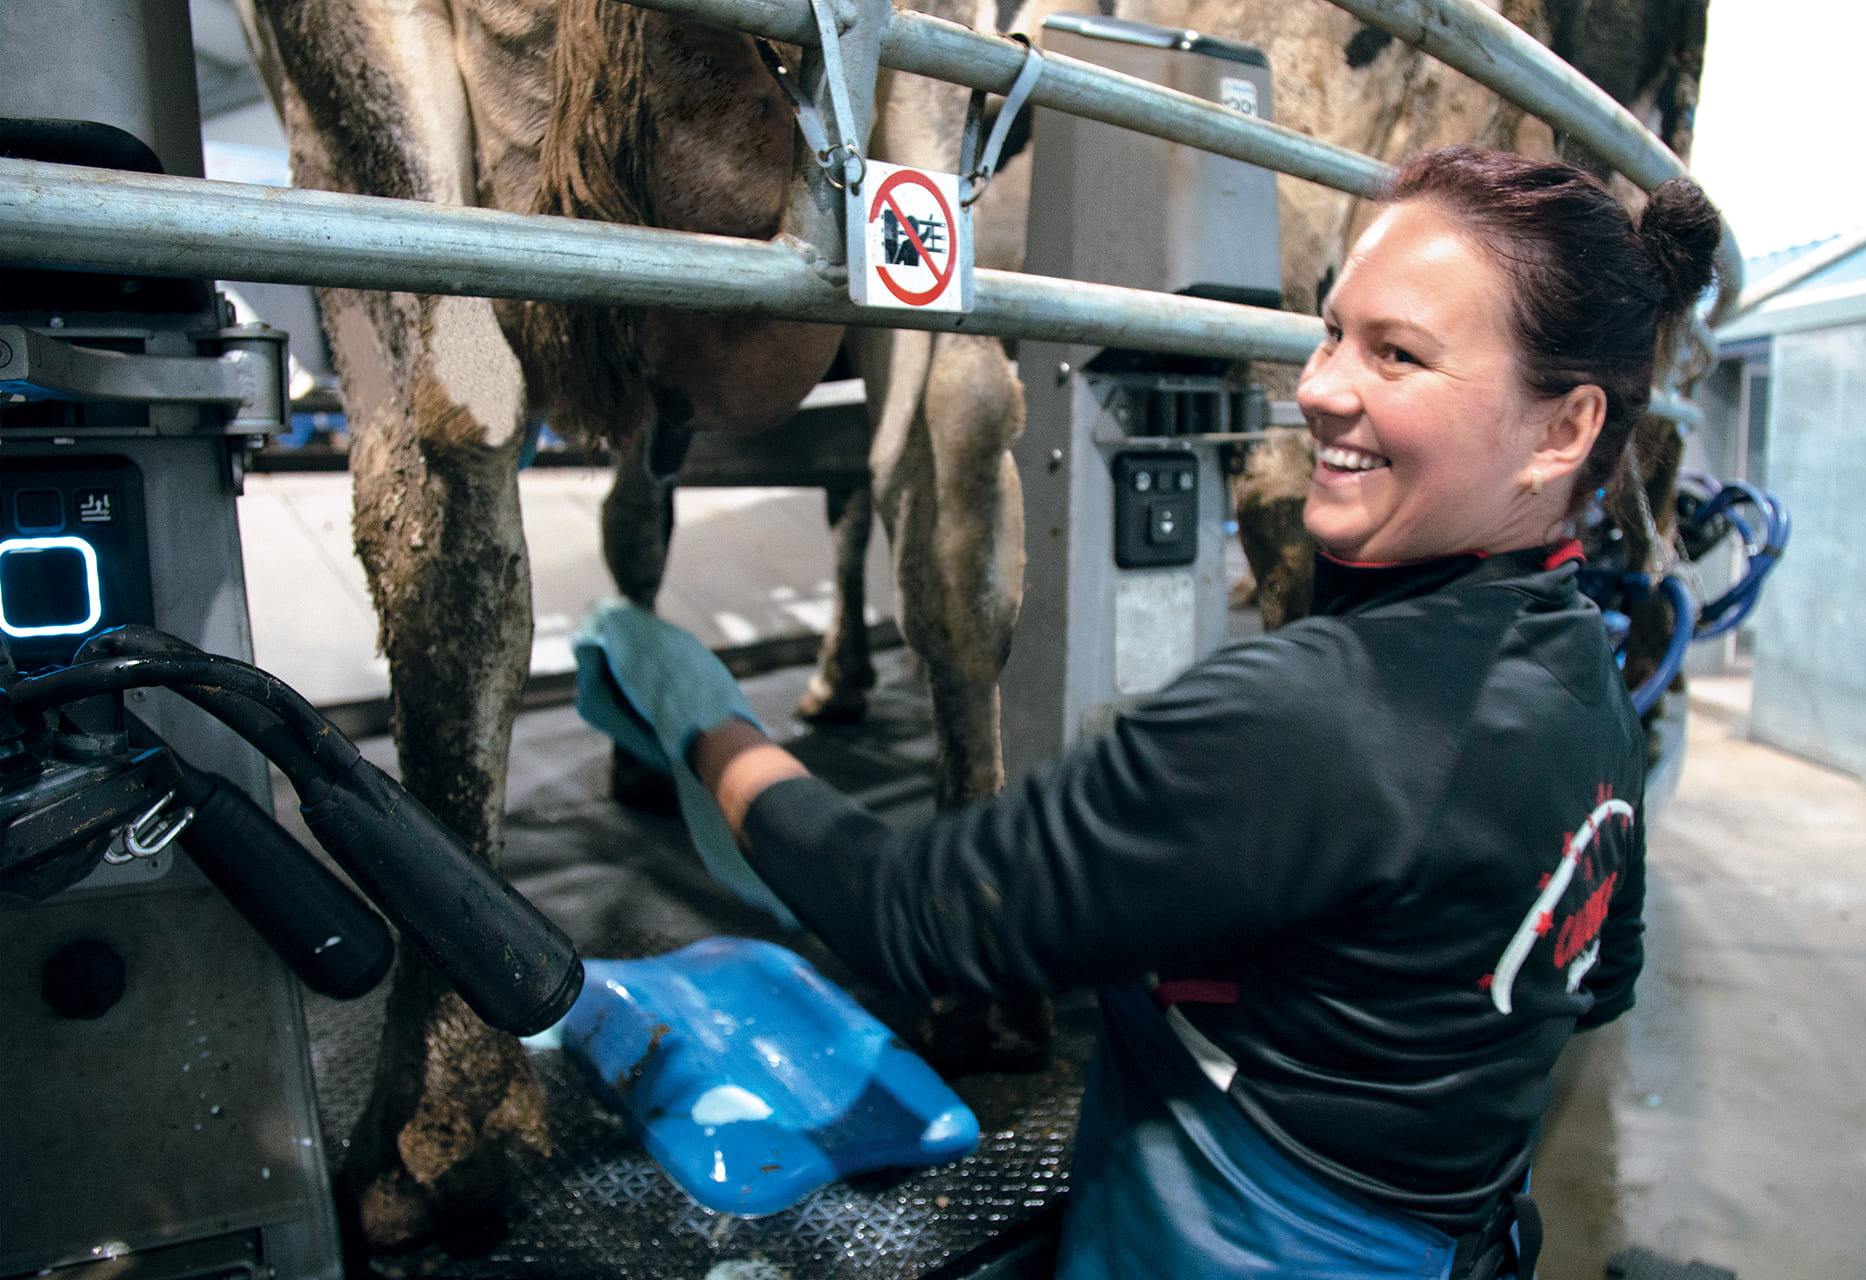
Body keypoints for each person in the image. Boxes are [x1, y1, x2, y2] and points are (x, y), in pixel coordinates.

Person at [574, 145, 1722, 1279]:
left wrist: (703, 720)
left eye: (1400, 354)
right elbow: (1591, 978)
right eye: (1332, 330)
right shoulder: (1582, 671)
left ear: (1563, 429)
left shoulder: (1316, 713)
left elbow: (914, 911)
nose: (1320, 388)